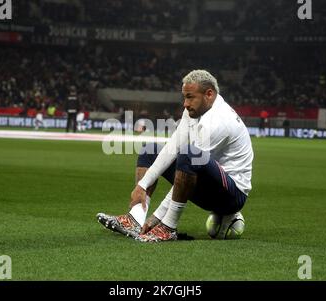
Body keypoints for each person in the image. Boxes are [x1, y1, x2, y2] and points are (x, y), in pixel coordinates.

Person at [97, 70, 254, 242]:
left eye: (190, 97)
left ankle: (168, 227)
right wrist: (142, 185)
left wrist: (157, 219)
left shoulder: (219, 121)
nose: (185, 104)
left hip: (230, 197)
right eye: (184, 97)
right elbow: (172, 147)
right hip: (208, 184)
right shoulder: (196, 110)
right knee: (151, 149)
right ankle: (135, 219)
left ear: (209, 94)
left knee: (189, 154)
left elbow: (190, 165)